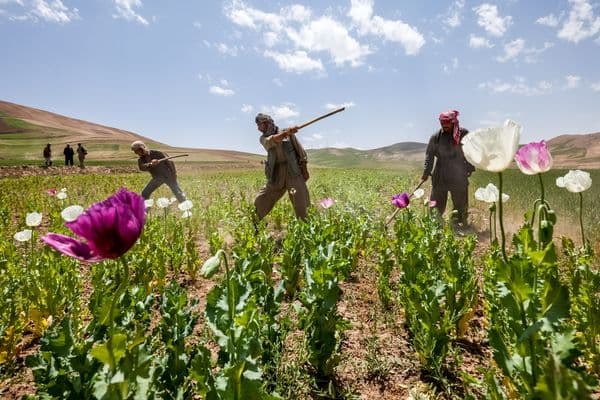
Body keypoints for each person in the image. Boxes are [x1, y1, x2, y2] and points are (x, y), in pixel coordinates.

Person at [421, 110, 475, 226]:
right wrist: (426, 171)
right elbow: (429, 155)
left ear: (454, 122)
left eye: (447, 123)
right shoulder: (436, 137)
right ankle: (435, 224)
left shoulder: (464, 134)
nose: (444, 125)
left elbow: (472, 151)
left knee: (460, 202)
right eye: (442, 123)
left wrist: (470, 167)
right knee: (436, 203)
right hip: (441, 173)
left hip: (459, 172)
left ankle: (460, 223)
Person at [254, 113, 310, 221]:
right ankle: (255, 223)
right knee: (261, 199)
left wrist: (304, 170)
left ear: (266, 123)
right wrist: (286, 133)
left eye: (259, 125)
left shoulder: (288, 134)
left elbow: (300, 151)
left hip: (293, 171)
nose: (258, 128)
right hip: (276, 174)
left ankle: (306, 228)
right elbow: (272, 141)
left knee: (301, 202)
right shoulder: (263, 138)